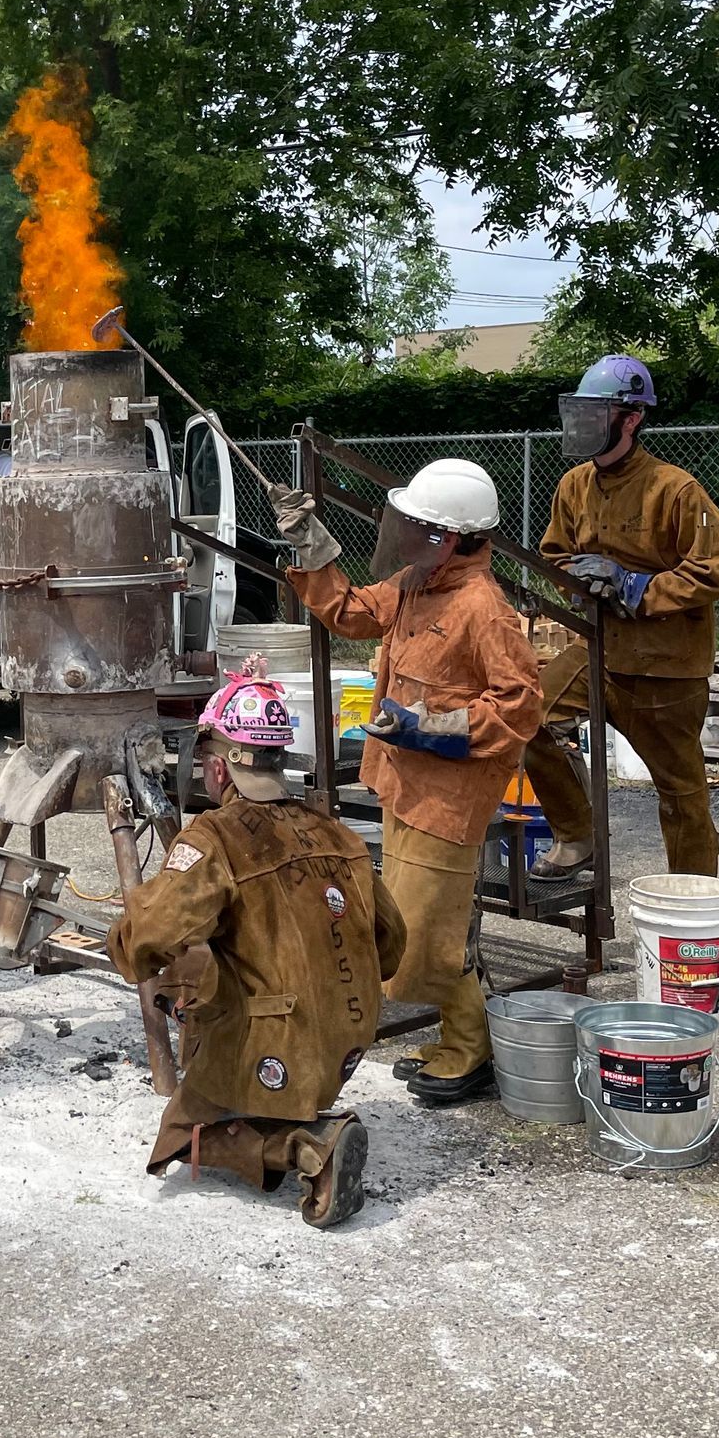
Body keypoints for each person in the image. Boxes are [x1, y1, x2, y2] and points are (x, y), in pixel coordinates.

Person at [269, 459, 542, 1107]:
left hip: (447, 799)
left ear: (451, 537)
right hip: (403, 785)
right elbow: (352, 612)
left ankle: (471, 1051)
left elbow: (520, 705)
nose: (408, 534)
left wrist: (433, 725)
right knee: (420, 924)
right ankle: (460, 1037)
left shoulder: (483, 609)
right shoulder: (417, 584)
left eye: (420, 526)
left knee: (423, 937)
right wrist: (311, 544)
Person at [108, 672, 406, 1228]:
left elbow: (148, 938)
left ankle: (307, 1145)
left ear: (221, 767)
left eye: (204, 758)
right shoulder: (334, 830)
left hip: (281, 1038)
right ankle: (285, 1107)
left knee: (182, 1137)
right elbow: (391, 943)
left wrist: (124, 948)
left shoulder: (215, 837)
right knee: (218, 956)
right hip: (350, 1028)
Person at [522, 356, 719, 878]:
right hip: (598, 647)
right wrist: (577, 582)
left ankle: (693, 898)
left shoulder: (676, 489)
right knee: (528, 718)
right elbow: (554, 553)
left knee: (680, 792)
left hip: (664, 664)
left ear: (632, 419)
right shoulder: (574, 485)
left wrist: (635, 586)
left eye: (597, 414)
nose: (583, 424)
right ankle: (578, 837)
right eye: (581, 413)